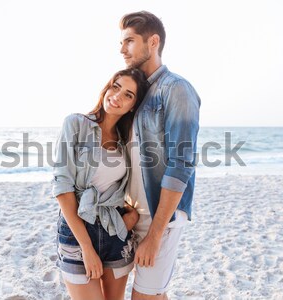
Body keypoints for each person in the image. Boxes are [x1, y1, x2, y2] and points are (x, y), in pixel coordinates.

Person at [119, 11, 201, 299]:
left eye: (129, 41)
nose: (122, 49)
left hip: (160, 215)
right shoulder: (137, 94)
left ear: (153, 42)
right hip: (134, 213)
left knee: (144, 296)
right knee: (152, 293)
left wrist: (155, 234)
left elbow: (182, 164)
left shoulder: (176, 89)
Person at [52, 68, 149, 300]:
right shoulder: (76, 124)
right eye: (115, 87)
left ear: (133, 106)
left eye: (128, 94)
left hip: (115, 229)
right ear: (107, 87)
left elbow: (129, 184)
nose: (117, 96)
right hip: (77, 232)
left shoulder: (126, 139)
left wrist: (132, 216)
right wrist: (86, 247)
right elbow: (62, 189)